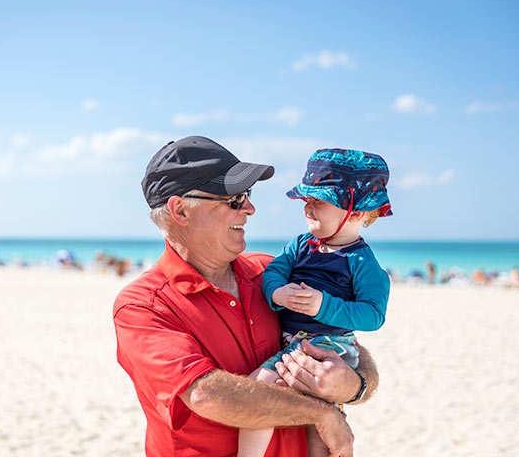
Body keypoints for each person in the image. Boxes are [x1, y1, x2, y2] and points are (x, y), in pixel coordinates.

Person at [113, 136, 379, 457]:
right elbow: (207, 395)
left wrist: (355, 385)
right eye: (234, 200)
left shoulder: (272, 273)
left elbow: (349, 346)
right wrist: (321, 413)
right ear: (180, 210)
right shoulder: (143, 304)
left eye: (247, 195)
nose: (250, 208)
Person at [239, 148, 392, 457]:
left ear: (358, 212)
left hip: (332, 345)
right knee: (316, 423)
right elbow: (275, 270)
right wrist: (276, 293)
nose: (308, 209)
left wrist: (325, 305)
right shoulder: (301, 244)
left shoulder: (361, 261)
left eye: (318, 202)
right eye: (306, 202)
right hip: (293, 342)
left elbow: (373, 315)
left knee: (259, 390)